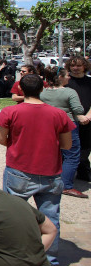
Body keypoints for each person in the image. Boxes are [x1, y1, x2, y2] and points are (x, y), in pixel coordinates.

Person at [0, 73, 73, 266]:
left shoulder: (10, 112)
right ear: (43, 88)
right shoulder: (58, 114)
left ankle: (13, 254)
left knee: (13, 215)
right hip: (51, 171)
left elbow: (1, 139)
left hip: (19, 168)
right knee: (51, 217)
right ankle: (49, 258)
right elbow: (66, 145)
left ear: (20, 90)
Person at [40, 66, 89, 199]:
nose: (69, 77)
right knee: (72, 155)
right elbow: (78, 109)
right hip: (68, 125)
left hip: (49, 126)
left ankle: (50, 180)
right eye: (67, 75)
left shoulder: (43, 92)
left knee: (54, 153)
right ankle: (66, 186)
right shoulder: (69, 92)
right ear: (60, 77)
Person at [66, 56, 91, 182]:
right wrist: (78, 116)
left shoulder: (89, 82)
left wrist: (88, 116)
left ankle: (84, 172)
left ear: (84, 66)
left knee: (85, 148)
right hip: (71, 121)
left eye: (79, 66)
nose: (75, 68)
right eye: (73, 66)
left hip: (88, 120)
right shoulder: (66, 83)